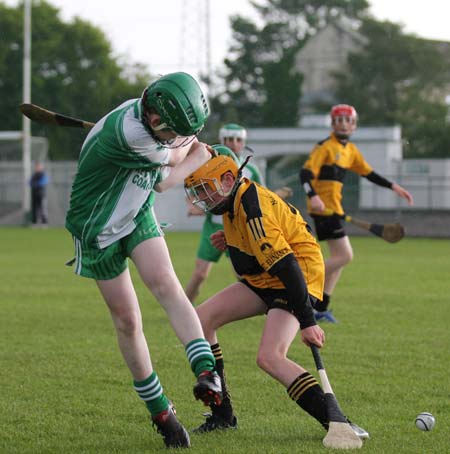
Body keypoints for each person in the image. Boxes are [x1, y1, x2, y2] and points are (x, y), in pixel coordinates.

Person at [64, 72, 222, 449]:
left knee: (167, 285)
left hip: (136, 212)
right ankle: (161, 413)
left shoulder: (151, 122)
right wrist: (195, 151)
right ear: (155, 120)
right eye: (171, 131)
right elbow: (166, 180)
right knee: (129, 320)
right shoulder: (132, 134)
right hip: (98, 228)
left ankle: (207, 374)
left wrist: (183, 141)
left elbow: (175, 148)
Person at [184, 154, 368, 440]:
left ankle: (338, 421)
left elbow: (287, 266)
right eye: (200, 192)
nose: (203, 197)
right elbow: (256, 256)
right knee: (201, 320)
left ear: (228, 180)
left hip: (297, 279)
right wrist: (232, 243)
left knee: (269, 357)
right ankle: (223, 415)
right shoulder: (232, 202)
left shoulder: (252, 209)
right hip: (268, 277)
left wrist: (308, 321)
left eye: (206, 189)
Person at [300, 104, 414, 323]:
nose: (343, 124)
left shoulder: (350, 151)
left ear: (354, 125)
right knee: (345, 256)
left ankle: (319, 308)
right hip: (323, 209)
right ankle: (302, 279)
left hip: (335, 209)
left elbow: (368, 173)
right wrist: (313, 196)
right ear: (332, 124)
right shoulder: (324, 147)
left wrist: (393, 186)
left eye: (347, 120)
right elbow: (304, 174)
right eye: (339, 120)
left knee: (339, 259)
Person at [185, 124, 293, 303]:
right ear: (221, 141)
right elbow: (192, 189)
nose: (233, 144)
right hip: (213, 227)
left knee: (242, 275)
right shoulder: (206, 165)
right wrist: (193, 206)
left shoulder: (251, 170)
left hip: (237, 227)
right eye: (228, 140)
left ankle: (261, 305)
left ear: (243, 143)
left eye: (237, 140)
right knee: (199, 274)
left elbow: (259, 196)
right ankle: (184, 308)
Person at [30, 161, 49, 226]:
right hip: (34, 195)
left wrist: (36, 184)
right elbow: (29, 182)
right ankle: (34, 223)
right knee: (34, 209)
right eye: (37, 166)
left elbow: (44, 182)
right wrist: (34, 184)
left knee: (43, 209)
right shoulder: (34, 175)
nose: (38, 168)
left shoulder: (43, 174)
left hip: (41, 195)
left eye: (39, 166)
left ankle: (44, 223)